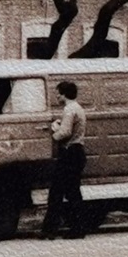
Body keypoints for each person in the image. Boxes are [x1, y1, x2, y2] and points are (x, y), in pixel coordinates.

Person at [42, 80, 89, 239]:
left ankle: (51, 230)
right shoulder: (78, 108)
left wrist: (53, 132)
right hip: (77, 152)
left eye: (58, 93)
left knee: (56, 192)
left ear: (64, 94)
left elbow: (65, 132)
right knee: (73, 192)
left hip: (69, 153)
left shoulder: (69, 110)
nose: (56, 96)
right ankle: (78, 228)